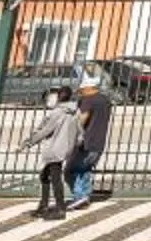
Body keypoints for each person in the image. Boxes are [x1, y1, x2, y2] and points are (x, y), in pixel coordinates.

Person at [67, 69, 115, 208]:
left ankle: (80, 196)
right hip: (99, 141)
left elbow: (82, 120)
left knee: (72, 169)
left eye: (81, 90)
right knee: (85, 169)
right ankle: (84, 196)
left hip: (86, 141)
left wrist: (72, 130)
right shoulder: (105, 100)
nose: (79, 92)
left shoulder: (87, 100)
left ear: (86, 88)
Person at [28, 85, 78, 219]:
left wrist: (28, 142)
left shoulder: (57, 113)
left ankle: (60, 209)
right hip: (63, 148)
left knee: (55, 179)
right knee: (45, 176)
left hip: (54, 149)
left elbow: (45, 130)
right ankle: (44, 205)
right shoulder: (73, 112)